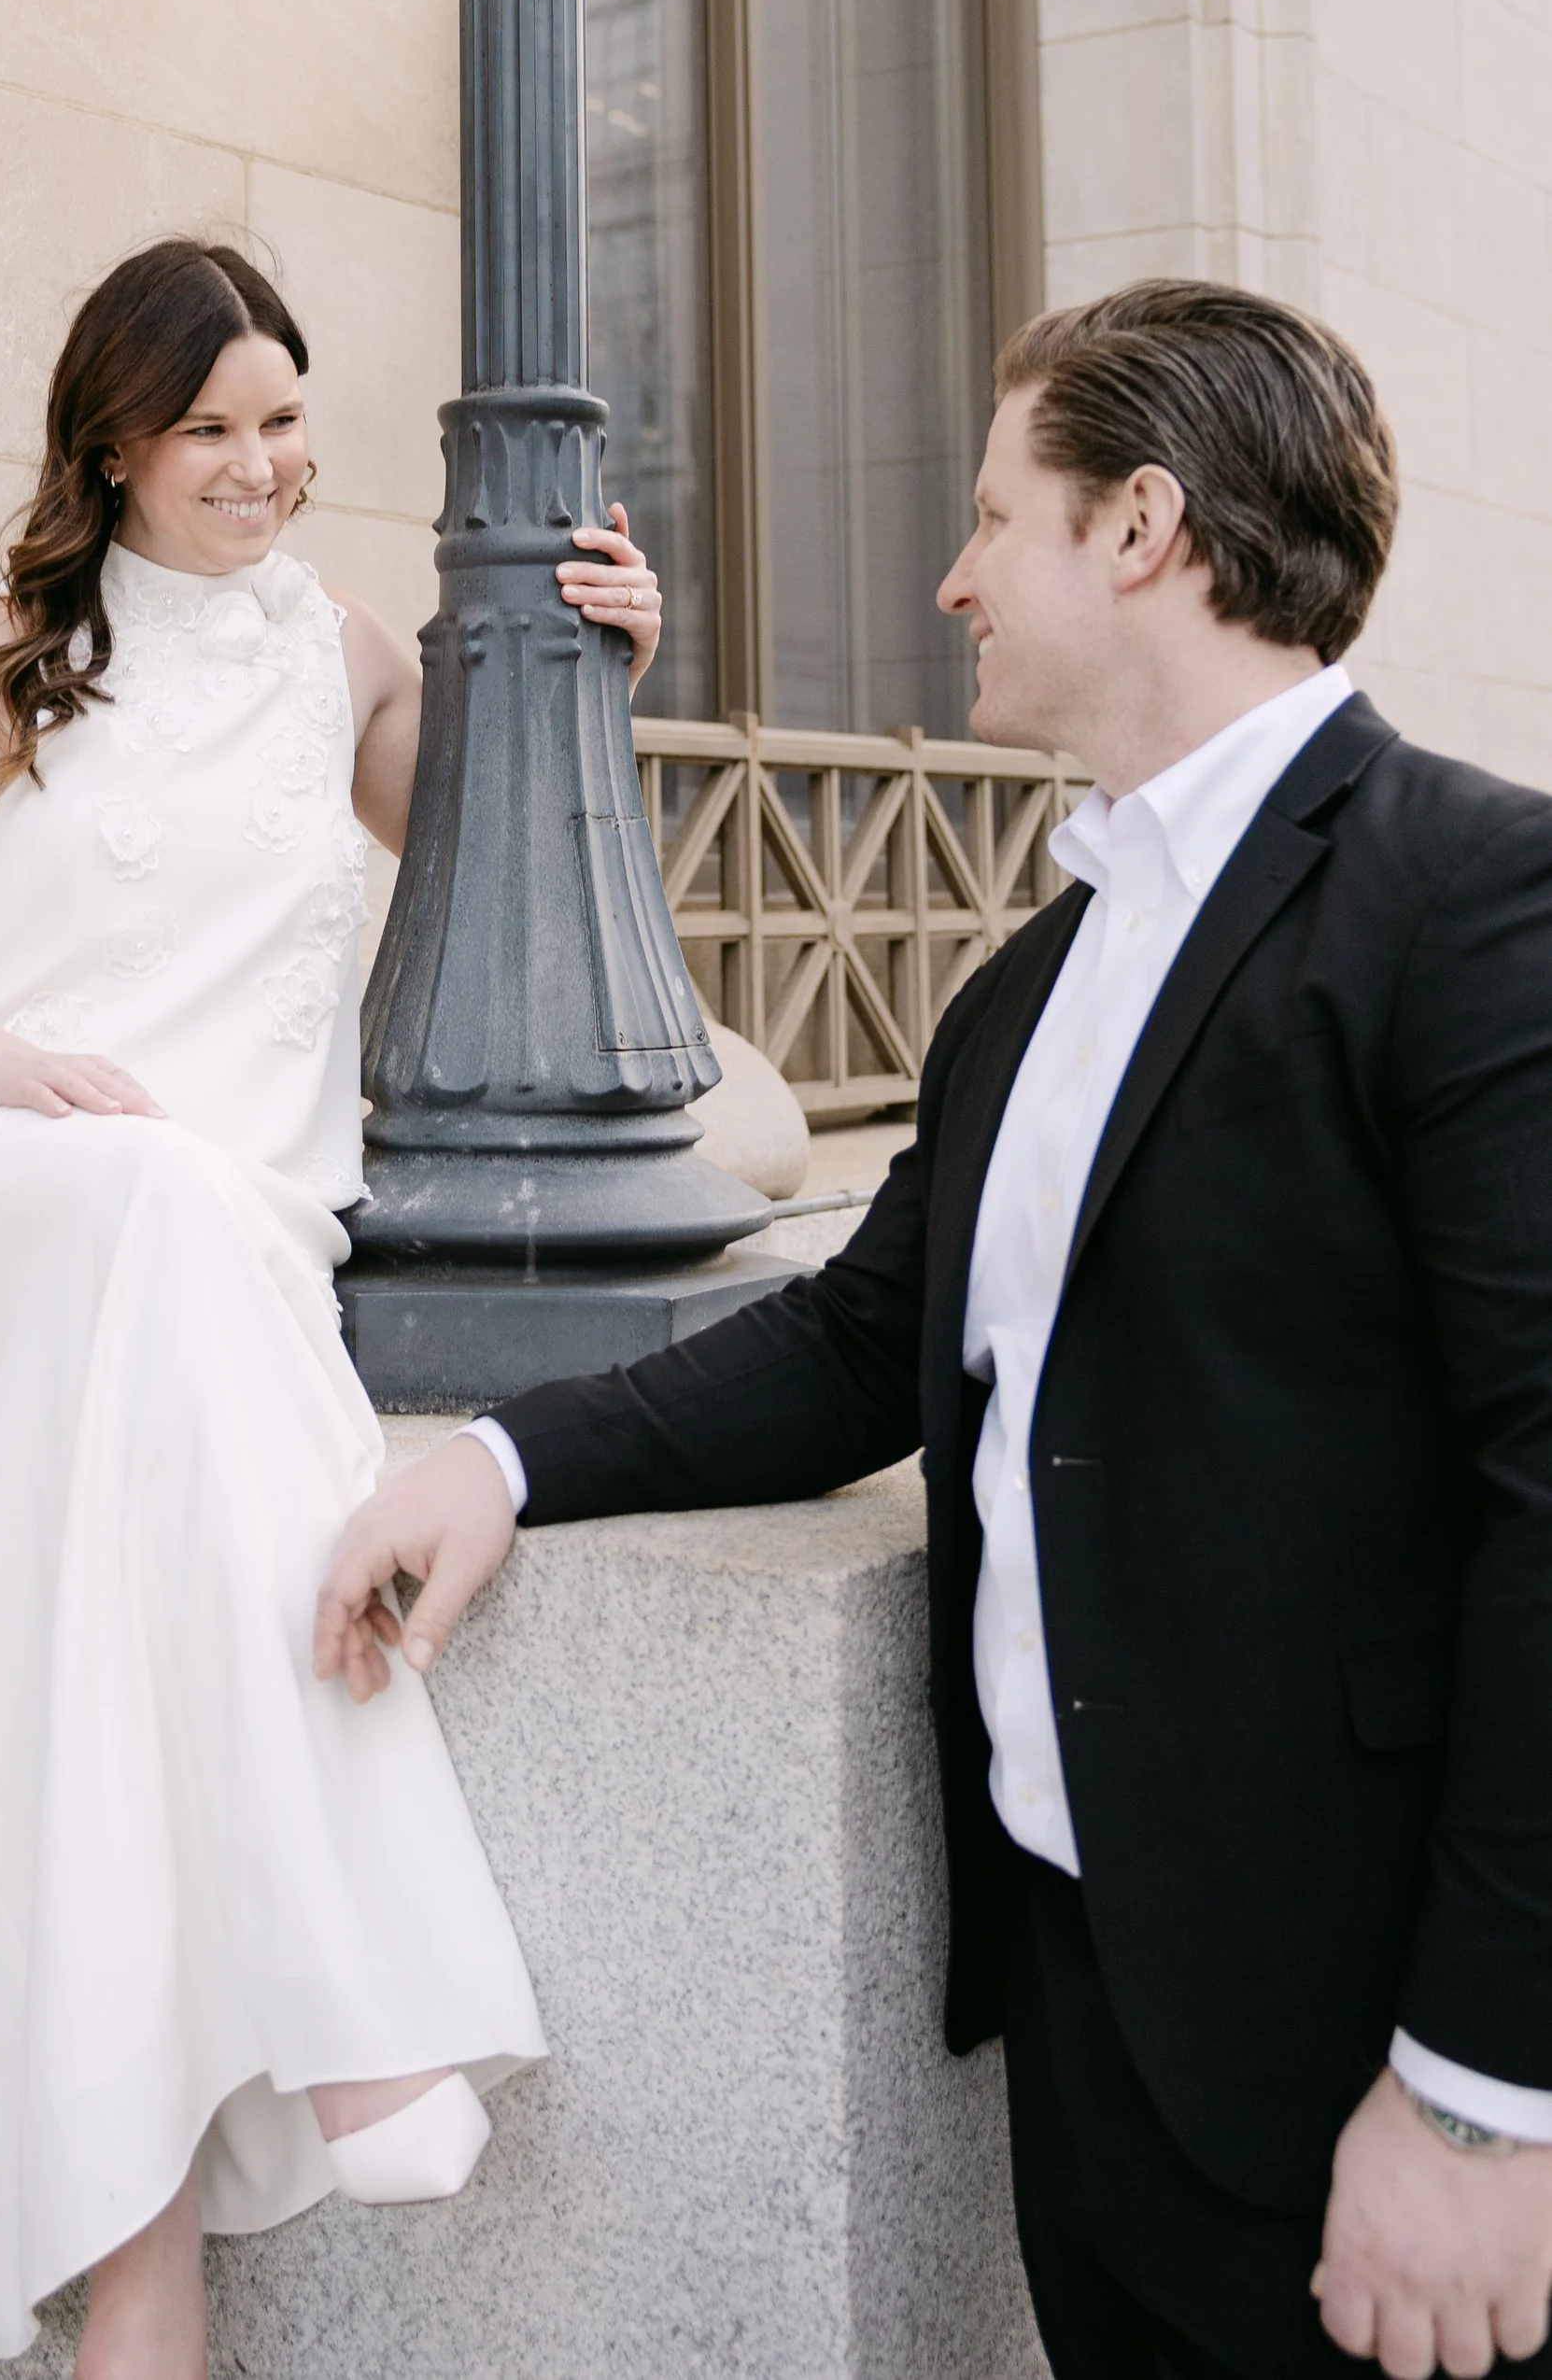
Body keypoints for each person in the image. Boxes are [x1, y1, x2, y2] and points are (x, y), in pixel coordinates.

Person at [317, 278, 1552, 2380]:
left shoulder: (1471, 897)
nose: (949, 574)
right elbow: (847, 1343)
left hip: (1355, 2047)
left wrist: (1476, 2091)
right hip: (1079, 2030)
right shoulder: (1023, 981)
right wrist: (498, 1460)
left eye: (996, 516)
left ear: (1140, 525)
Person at [0, 235, 662, 2380]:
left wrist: (596, 678)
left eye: (284, 419)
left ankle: (140, 2273)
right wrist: (20, 1069)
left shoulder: (340, 653)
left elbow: (493, 867)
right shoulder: (14, 655)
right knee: (152, 1206)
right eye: (210, 428)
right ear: (115, 443)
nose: (260, 465)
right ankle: (354, 2012)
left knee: (96, 1629)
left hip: (211, 1248)